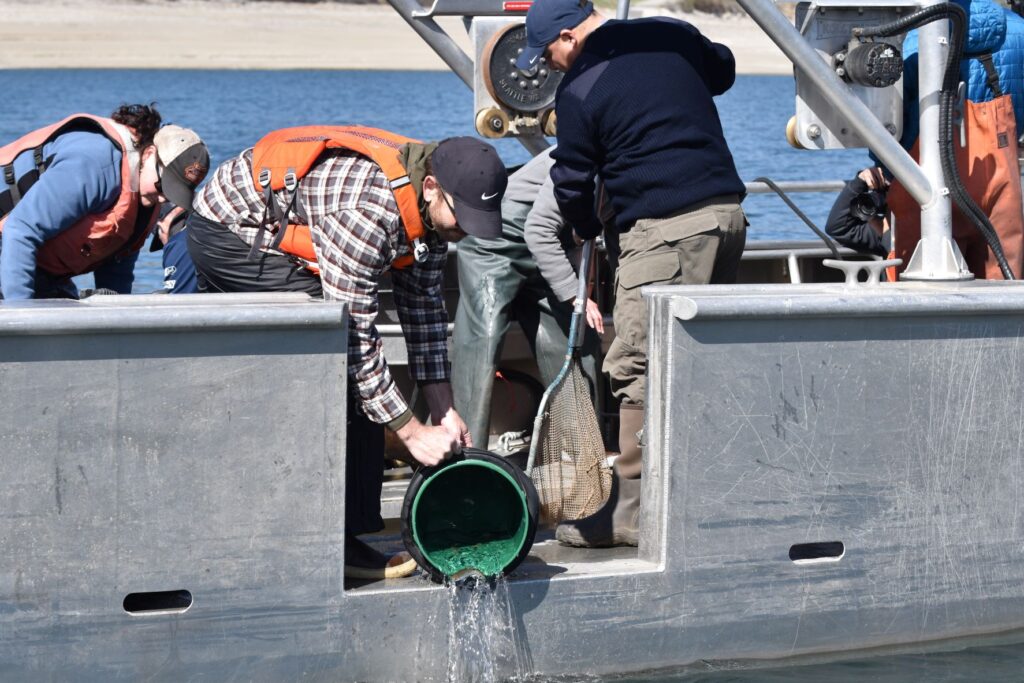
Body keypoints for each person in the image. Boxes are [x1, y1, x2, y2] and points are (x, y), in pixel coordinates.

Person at [186, 126, 508, 577]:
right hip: (228, 233)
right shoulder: (365, 210)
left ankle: (349, 533)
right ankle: (328, 541)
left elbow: (424, 313)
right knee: (334, 354)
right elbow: (356, 336)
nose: (465, 231)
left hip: (294, 225)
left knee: (358, 373)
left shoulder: (431, 215)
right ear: (432, 187)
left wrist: (445, 411)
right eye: (462, 218)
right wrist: (412, 433)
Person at [518, 0, 748, 547]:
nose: (549, 65)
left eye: (548, 53)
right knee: (699, 361)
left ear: (569, 36)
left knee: (636, 364)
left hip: (663, 230)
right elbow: (724, 70)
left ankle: (628, 512)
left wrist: (582, 228)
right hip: (728, 218)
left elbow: (573, 183)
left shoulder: (579, 90)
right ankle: (703, 492)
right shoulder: (670, 34)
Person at [451, 148, 603, 449]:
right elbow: (539, 229)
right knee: (483, 340)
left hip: (549, 251)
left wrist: (578, 289)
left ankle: (581, 457)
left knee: (575, 343)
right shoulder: (591, 154)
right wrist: (575, 294)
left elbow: (578, 233)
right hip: (496, 242)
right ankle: (468, 460)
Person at [0, 104, 209, 299]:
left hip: (42, 273)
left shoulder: (142, 199)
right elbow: (20, 231)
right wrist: (22, 315)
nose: (164, 198)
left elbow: (116, 273)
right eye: (163, 186)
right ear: (148, 155)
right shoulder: (91, 165)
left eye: (174, 194)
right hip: (10, 250)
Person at [885, 0, 1024, 279]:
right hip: (999, 173)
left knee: (919, 285)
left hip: (925, 183)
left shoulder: (914, 38)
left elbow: (892, 123)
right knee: (1003, 288)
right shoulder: (1020, 32)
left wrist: (882, 169)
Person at [825, 166, 892, 258]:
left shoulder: (912, 230)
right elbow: (838, 228)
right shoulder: (888, 227)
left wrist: (885, 232)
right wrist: (861, 181)